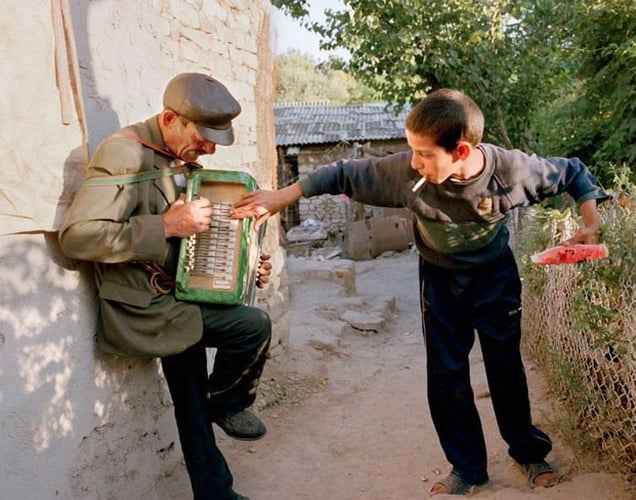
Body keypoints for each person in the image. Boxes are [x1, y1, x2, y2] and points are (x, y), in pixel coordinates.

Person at [231, 88, 609, 496]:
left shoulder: (511, 172)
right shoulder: (405, 173)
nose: (415, 162)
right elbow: (338, 174)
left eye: (425, 154)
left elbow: (572, 172)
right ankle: (467, 468)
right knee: (446, 376)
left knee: (505, 369)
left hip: (495, 279)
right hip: (440, 280)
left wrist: (590, 222)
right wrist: (280, 197)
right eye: (412, 151)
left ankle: (529, 452)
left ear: (461, 151)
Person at [59, 72, 272, 500]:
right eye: (204, 137)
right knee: (253, 326)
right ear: (170, 118)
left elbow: (195, 239)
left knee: (190, 403)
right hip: (145, 305)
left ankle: (216, 493)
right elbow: (76, 237)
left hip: (180, 295)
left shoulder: (178, 159)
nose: (210, 148)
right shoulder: (123, 154)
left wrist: (248, 265)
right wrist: (166, 225)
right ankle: (227, 405)